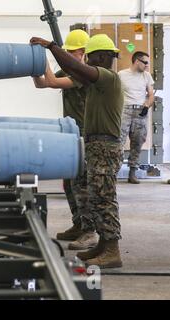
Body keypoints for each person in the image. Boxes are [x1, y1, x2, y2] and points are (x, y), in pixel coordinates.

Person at [31, 34, 124, 268]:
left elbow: (74, 66)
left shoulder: (108, 78)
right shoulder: (94, 81)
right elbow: (72, 70)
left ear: (100, 57)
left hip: (105, 146)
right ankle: (103, 245)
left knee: (104, 198)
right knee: (95, 196)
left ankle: (112, 250)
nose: (87, 62)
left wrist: (51, 47)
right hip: (96, 145)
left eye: (90, 57)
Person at [32, 30, 96, 251]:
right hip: (71, 134)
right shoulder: (69, 69)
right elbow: (41, 84)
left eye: (73, 51)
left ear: (84, 53)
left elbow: (50, 81)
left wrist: (41, 57)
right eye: (67, 51)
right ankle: (78, 224)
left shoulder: (84, 74)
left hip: (85, 135)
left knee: (82, 185)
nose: (69, 55)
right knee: (69, 183)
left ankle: (89, 232)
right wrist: (33, 68)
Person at [119, 51, 155, 184]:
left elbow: (151, 94)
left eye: (148, 63)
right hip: (125, 111)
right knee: (119, 141)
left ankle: (132, 173)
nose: (147, 65)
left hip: (140, 111)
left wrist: (146, 106)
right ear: (136, 61)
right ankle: (113, 171)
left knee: (137, 142)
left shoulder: (147, 76)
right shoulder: (122, 74)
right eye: (145, 62)